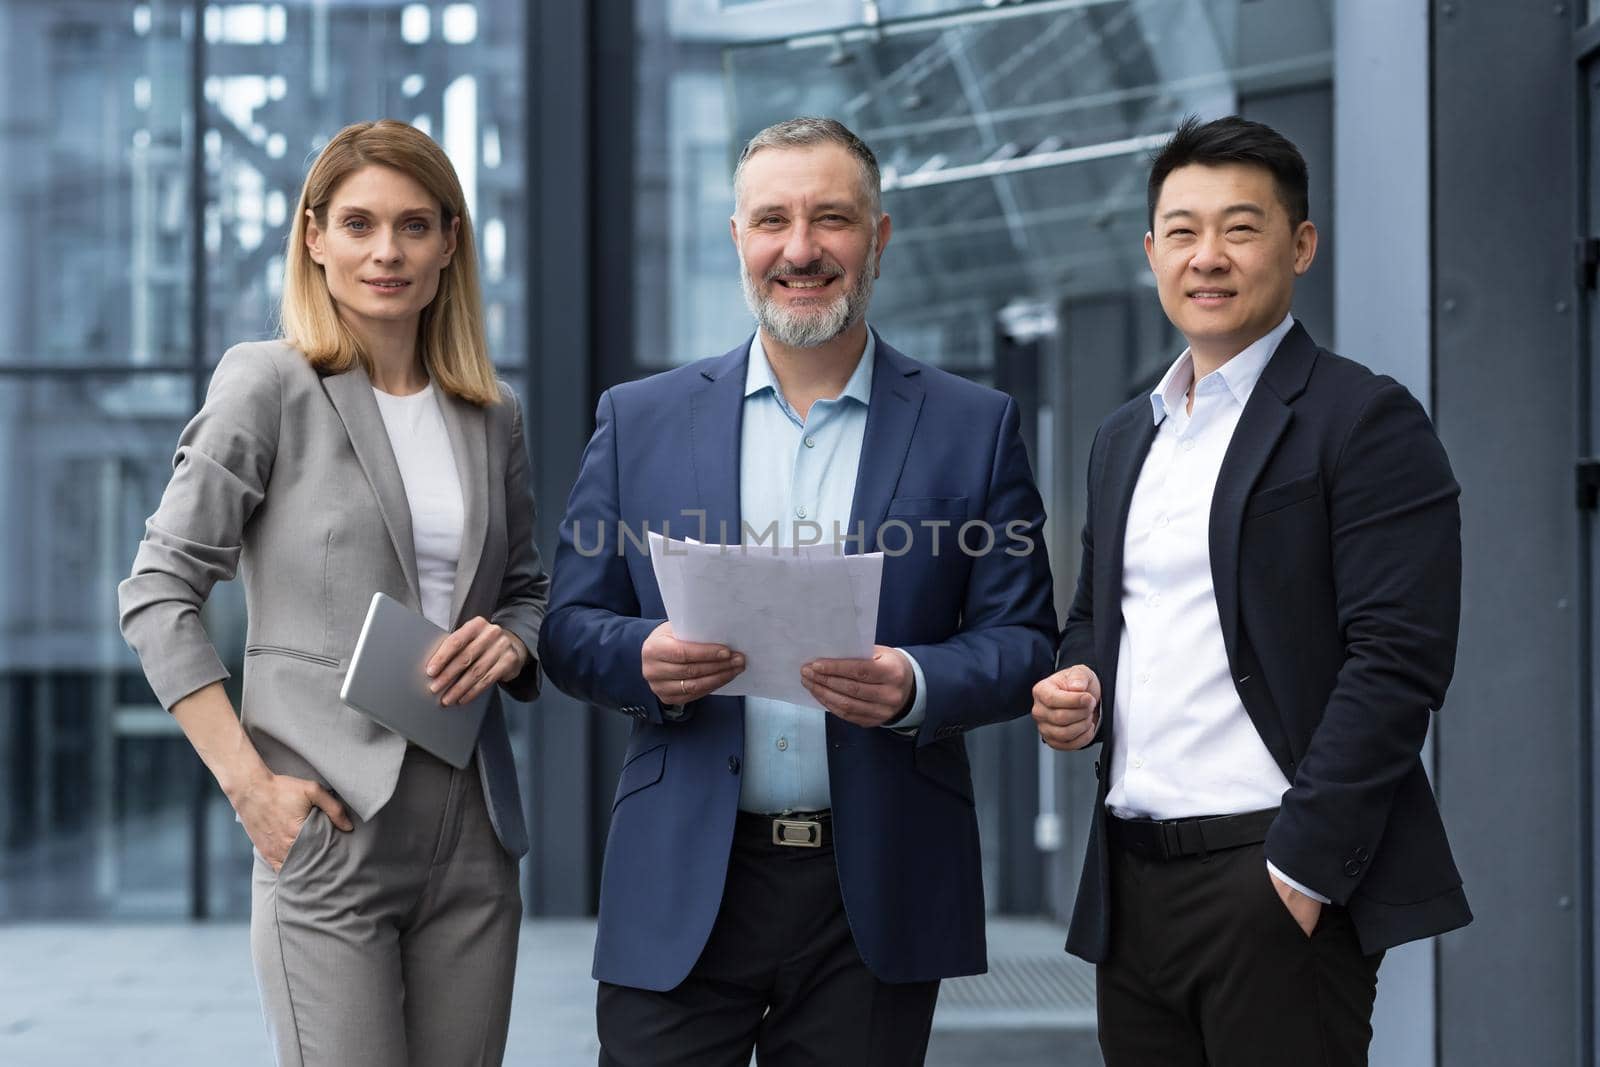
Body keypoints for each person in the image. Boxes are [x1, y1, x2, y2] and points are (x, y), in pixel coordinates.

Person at [538, 116, 1056, 1065]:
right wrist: (643, 659)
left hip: (876, 887)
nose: (802, 248)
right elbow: (569, 627)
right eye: (772, 219)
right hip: (685, 868)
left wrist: (916, 682)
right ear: (738, 238)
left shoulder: (973, 426)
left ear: (879, 238)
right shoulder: (639, 420)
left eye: (833, 219)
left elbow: (1024, 638)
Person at [1032, 115, 1472, 1065]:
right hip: (1131, 881)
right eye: (1183, 231)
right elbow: (1096, 619)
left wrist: (1300, 872)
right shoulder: (1125, 437)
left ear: (1301, 245)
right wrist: (1079, 684)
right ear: (1152, 251)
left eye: (1242, 227)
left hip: (1271, 874)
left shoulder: (1363, 419)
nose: (1209, 257)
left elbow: (1399, 660)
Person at [118, 119, 548, 1066]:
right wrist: (249, 787)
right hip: (327, 821)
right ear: (314, 237)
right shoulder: (268, 383)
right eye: (357, 224)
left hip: (473, 831)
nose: (385, 251)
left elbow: (525, 589)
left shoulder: (491, 410)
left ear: (449, 245)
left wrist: (516, 640)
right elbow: (158, 592)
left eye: (413, 225)